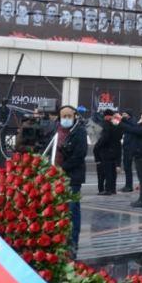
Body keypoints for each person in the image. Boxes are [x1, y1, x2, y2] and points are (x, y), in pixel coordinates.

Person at [54, 105, 87, 258]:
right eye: (63, 116)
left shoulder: (79, 132)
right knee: (63, 210)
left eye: (69, 116)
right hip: (56, 175)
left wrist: (62, 168)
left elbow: (80, 155)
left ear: (74, 117)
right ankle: (62, 241)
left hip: (72, 176)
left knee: (72, 210)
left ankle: (72, 243)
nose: (66, 119)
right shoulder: (56, 130)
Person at [115, 112, 142, 207]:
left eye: (141, 118)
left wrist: (119, 123)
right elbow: (133, 125)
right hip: (140, 154)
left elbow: (132, 129)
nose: (139, 119)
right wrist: (122, 119)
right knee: (141, 178)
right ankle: (141, 199)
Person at [93, 108, 121, 194]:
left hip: (106, 151)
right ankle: (113, 188)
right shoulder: (115, 124)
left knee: (107, 171)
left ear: (106, 116)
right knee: (113, 171)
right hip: (114, 150)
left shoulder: (105, 124)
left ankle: (108, 189)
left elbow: (104, 138)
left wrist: (97, 146)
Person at [119, 108, 136, 192]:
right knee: (126, 168)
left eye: (124, 114)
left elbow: (129, 127)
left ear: (128, 115)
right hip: (127, 147)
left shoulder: (132, 122)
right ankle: (127, 185)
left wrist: (121, 121)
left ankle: (129, 186)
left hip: (130, 148)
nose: (122, 115)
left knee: (128, 167)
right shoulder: (128, 121)